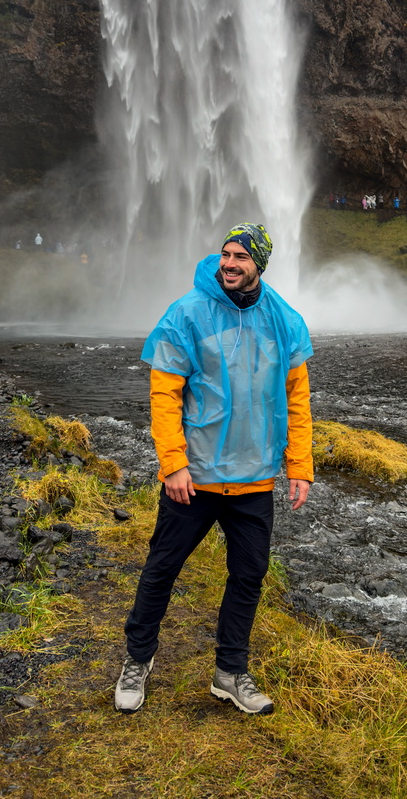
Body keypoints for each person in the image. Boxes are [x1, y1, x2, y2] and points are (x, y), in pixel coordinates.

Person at [115, 223, 313, 717]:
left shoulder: (284, 320)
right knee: (161, 570)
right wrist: (174, 464)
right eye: (225, 254)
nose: (229, 263)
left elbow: (298, 401)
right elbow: (164, 396)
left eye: (240, 257)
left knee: (249, 576)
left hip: (254, 479)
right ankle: (137, 660)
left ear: (259, 265)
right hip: (195, 478)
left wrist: (300, 466)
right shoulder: (187, 313)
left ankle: (230, 673)